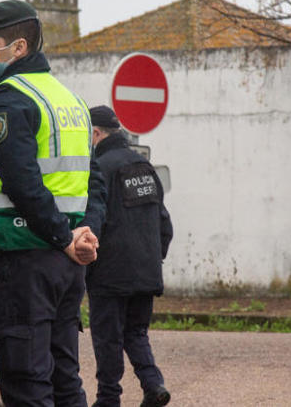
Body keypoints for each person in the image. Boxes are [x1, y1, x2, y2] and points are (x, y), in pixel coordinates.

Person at [0, 0, 105, 406]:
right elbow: (94, 181)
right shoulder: (71, 100)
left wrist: (63, 236)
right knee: (64, 376)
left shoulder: (11, 98)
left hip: (26, 256)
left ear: (18, 49)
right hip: (67, 264)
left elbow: (20, 180)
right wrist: (85, 236)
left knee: (26, 379)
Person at [85, 106, 172, 407]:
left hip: (110, 274)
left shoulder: (99, 168)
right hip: (146, 271)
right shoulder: (145, 167)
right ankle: (153, 385)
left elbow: (95, 221)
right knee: (136, 332)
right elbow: (165, 224)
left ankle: (108, 398)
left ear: (96, 133)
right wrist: (152, 259)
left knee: (107, 337)